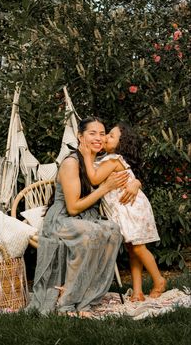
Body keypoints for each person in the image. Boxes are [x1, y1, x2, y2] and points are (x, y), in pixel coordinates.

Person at [31, 117, 141, 316]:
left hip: (88, 217)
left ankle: (87, 297)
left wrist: (136, 183)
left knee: (113, 230)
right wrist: (106, 188)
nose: (99, 138)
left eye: (102, 133)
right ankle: (66, 302)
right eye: (92, 133)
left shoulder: (98, 161)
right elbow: (73, 208)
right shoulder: (71, 163)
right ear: (80, 137)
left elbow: (125, 172)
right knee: (91, 233)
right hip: (63, 219)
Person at [80, 122, 166, 301]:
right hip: (125, 208)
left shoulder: (113, 160)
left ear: (121, 144)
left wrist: (87, 155)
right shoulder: (109, 159)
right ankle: (137, 292)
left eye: (110, 136)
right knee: (132, 248)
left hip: (130, 207)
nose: (104, 138)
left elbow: (94, 179)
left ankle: (159, 280)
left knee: (139, 248)